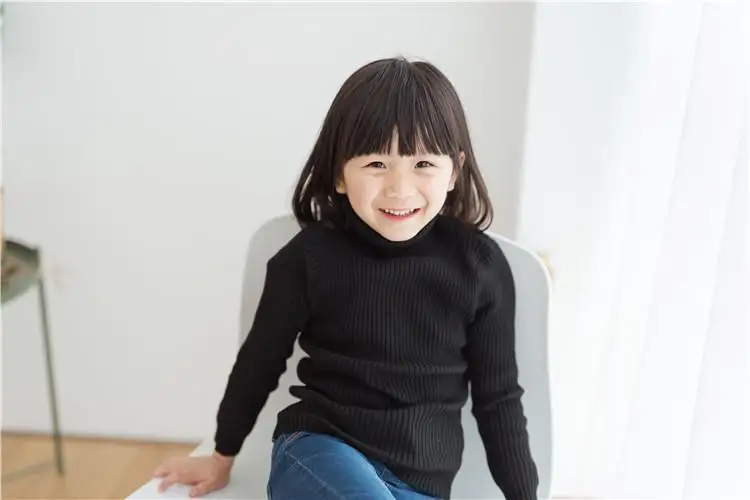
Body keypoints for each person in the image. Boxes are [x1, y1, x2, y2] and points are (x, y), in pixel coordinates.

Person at [152, 56, 538, 500]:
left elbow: (498, 399)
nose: (399, 188)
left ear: (454, 170)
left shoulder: (480, 267)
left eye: (423, 164)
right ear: (339, 173)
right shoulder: (308, 259)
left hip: (421, 486)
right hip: (320, 450)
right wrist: (221, 456)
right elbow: (258, 362)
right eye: (376, 164)